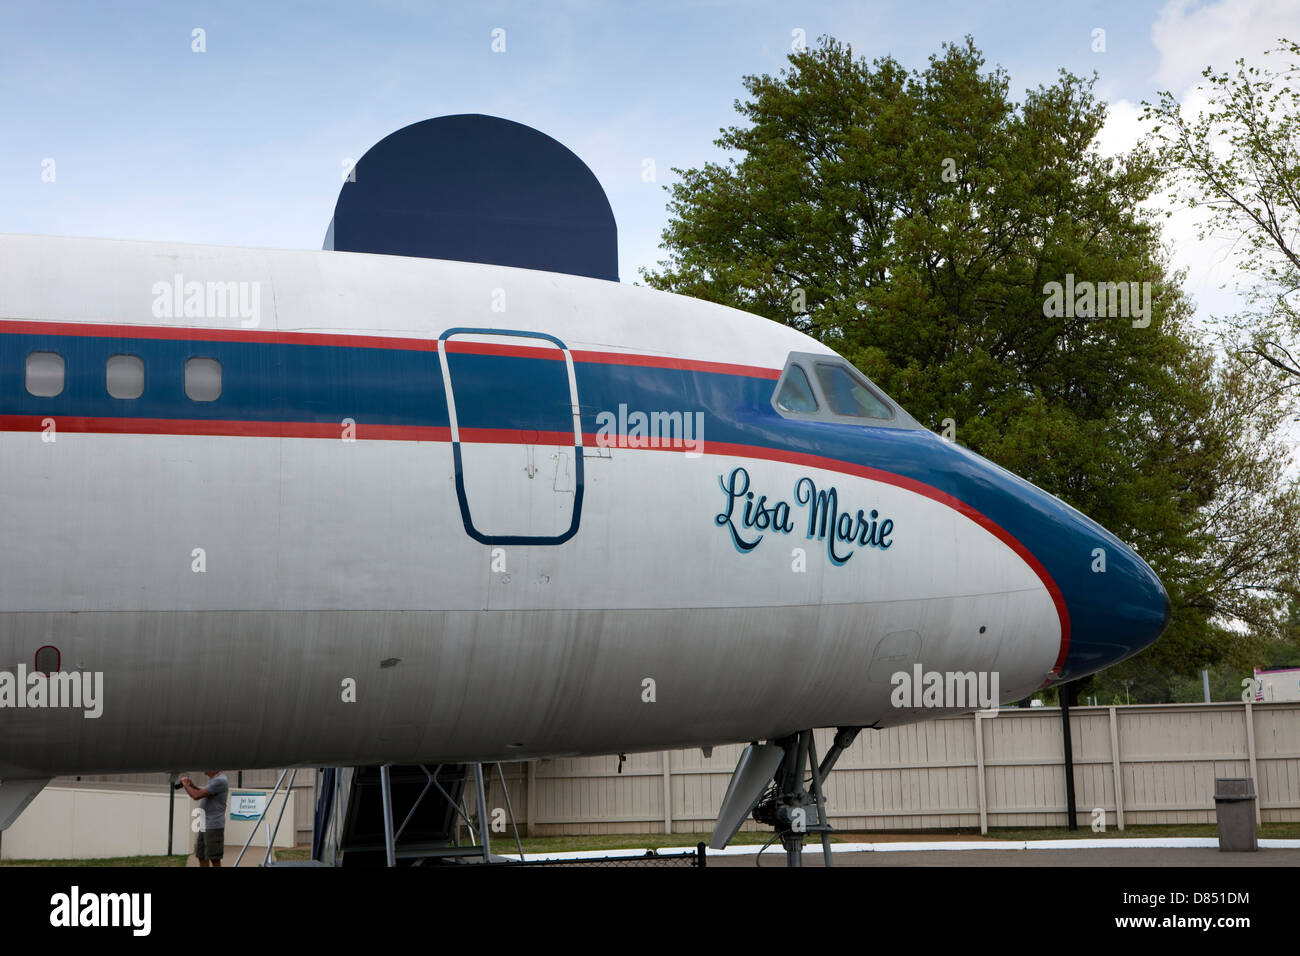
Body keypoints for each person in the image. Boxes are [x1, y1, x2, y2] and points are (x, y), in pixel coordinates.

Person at [180, 770, 229, 867]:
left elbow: (196, 795)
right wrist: (192, 786)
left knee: (214, 858)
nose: (203, 768)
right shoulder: (214, 780)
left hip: (213, 825)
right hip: (205, 824)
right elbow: (204, 792)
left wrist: (185, 785)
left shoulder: (219, 780)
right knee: (201, 856)